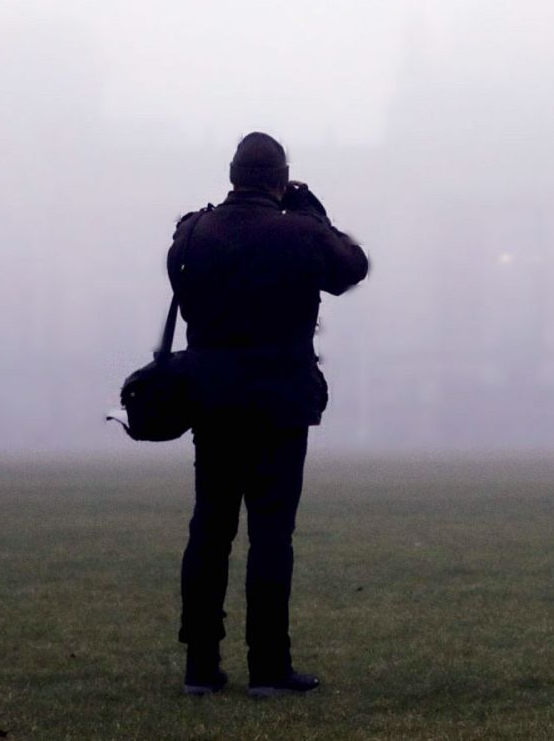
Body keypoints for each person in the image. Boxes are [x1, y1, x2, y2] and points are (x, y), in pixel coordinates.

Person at [168, 131, 370, 697]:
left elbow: (181, 277)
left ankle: (201, 665)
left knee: (210, 530)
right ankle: (269, 667)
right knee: (271, 536)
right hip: (279, 405)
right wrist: (311, 211)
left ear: (233, 176)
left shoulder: (194, 232)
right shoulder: (299, 232)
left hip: (211, 402)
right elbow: (350, 268)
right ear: (280, 179)